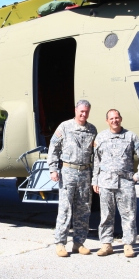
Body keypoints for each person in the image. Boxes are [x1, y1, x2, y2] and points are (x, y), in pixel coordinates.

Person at [92, 109, 139, 258]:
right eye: (111, 118)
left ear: (121, 119)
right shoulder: (101, 137)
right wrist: (95, 180)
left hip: (126, 182)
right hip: (105, 182)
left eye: (116, 118)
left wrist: (138, 176)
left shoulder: (131, 137)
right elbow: (96, 161)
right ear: (107, 121)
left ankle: (128, 245)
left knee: (129, 214)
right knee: (106, 216)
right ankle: (106, 244)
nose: (114, 121)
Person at [48, 100, 97, 257]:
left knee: (83, 209)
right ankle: (60, 243)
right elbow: (53, 147)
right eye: (81, 111)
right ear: (76, 110)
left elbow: (96, 155)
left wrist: (95, 177)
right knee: (65, 208)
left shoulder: (92, 130)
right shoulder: (65, 127)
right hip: (68, 171)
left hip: (85, 173)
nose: (84, 114)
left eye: (86, 112)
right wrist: (53, 169)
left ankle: (79, 243)